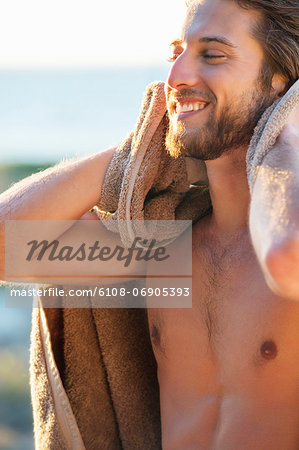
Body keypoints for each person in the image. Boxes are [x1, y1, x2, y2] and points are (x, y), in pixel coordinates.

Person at [0, 0, 298, 448]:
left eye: (211, 54)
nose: (176, 75)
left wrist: (287, 139)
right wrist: (137, 156)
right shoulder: (169, 250)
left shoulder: (285, 243)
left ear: (282, 84)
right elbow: (9, 249)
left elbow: (285, 260)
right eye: (177, 52)